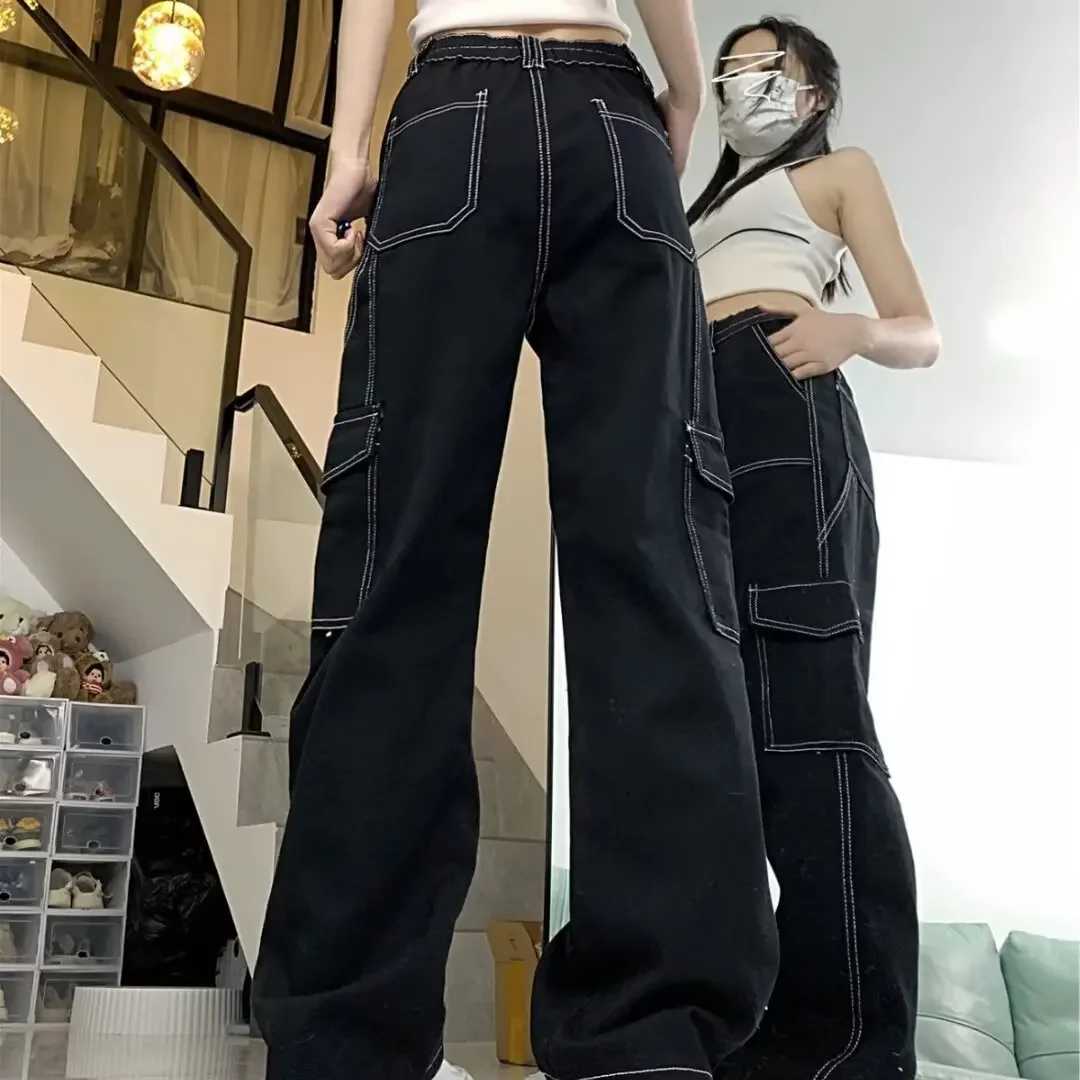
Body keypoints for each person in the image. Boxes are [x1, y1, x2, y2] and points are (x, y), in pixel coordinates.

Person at [253, 3, 781, 1079]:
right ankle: (653, 1040)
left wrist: (349, 152)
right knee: (658, 568)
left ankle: (348, 1039)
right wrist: (684, 92)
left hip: (452, 114)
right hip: (616, 118)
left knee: (397, 566)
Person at [688, 16, 941, 1080]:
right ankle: (729, 1026)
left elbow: (921, 329)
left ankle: (847, 1047)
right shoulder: (692, 212)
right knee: (706, 725)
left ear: (815, 93)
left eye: (769, 68)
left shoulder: (837, 173)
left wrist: (854, 331)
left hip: (780, 386)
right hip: (688, 415)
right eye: (732, 69)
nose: (745, 83)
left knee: (809, 710)